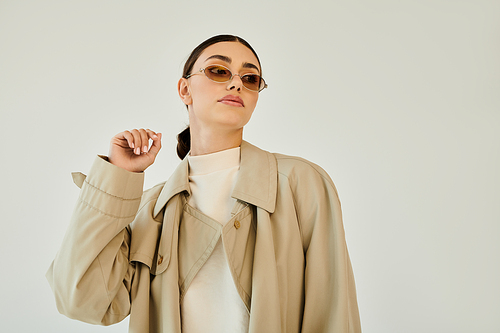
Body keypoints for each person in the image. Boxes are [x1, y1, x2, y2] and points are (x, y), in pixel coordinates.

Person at [46, 34, 362, 333]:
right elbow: (79, 301)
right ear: (185, 90)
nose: (237, 82)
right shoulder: (150, 211)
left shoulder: (300, 183)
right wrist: (119, 176)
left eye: (249, 78)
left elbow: (332, 311)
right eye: (218, 70)